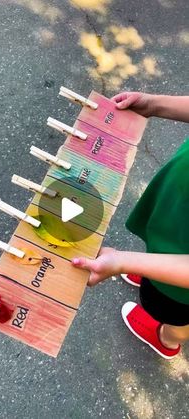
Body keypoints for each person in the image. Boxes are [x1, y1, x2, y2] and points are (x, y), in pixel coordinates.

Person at [72, 92, 189, 359]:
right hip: (179, 217)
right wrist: (154, 104)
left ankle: (167, 339)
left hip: (183, 286)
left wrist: (124, 262)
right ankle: (153, 267)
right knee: (158, 249)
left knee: (175, 313)